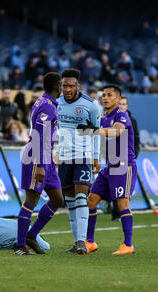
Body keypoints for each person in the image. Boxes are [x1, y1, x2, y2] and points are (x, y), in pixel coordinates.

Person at [77, 84, 138, 255]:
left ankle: (128, 245)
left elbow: (117, 132)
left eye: (109, 95)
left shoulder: (122, 116)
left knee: (122, 202)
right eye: (103, 95)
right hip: (109, 167)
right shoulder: (104, 119)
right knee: (91, 200)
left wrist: (93, 130)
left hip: (124, 166)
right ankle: (90, 242)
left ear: (118, 99)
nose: (105, 97)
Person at [15, 72, 64, 255]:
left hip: (46, 158)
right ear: (57, 87)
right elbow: (39, 135)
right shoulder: (47, 106)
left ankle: (31, 235)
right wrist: (42, 165)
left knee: (57, 198)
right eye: (62, 85)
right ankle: (19, 246)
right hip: (37, 157)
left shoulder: (45, 103)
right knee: (31, 200)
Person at [55, 68, 101, 254]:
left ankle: (83, 242)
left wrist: (96, 156)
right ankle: (77, 242)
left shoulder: (91, 105)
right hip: (64, 157)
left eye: (71, 86)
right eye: (64, 85)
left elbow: (96, 132)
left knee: (82, 197)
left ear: (78, 86)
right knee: (71, 201)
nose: (67, 89)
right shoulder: (55, 103)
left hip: (83, 156)